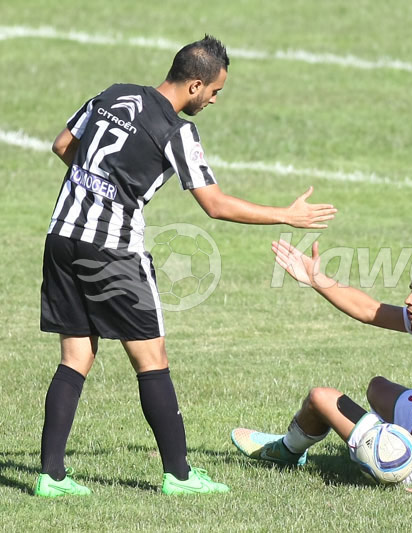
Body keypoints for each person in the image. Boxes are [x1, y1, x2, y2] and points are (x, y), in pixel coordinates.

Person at [36, 35, 337, 497]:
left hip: (61, 236)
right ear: (195, 85)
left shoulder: (113, 92)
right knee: (151, 359)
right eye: (215, 91)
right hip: (113, 250)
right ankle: (178, 476)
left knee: (75, 356)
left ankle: (50, 476)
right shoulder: (177, 131)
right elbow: (214, 205)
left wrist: (101, 186)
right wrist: (286, 215)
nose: (214, 100)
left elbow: (62, 145)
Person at [231, 239, 412, 499]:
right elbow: (370, 310)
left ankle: (287, 451)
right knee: (377, 388)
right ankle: (377, 434)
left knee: (320, 398)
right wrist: (317, 280)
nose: (409, 299)